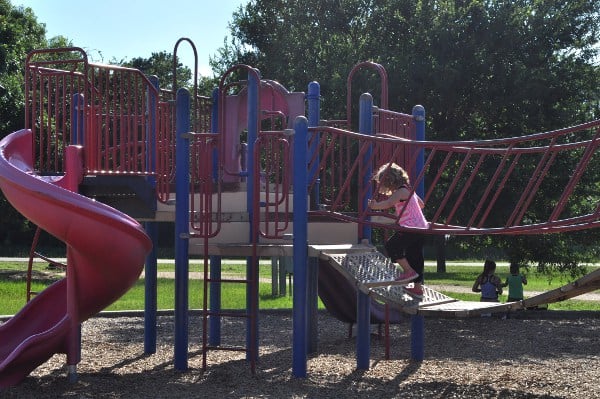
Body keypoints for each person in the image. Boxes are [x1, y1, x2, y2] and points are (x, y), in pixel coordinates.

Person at [368, 162, 428, 299]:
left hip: (410, 227)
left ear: (389, 181)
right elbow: (421, 204)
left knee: (391, 245)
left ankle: (408, 271)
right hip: (421, 227)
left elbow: (388, 203)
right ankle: (418, 288)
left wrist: (375, 206)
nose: (381, 187)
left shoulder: (400, 191)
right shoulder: (409, 189)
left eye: (382, 183)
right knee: (415, 256)